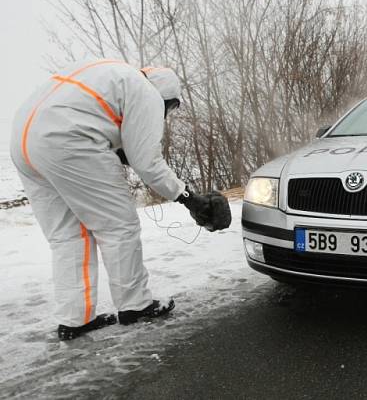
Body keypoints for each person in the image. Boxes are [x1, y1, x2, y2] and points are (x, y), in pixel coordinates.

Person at [9, 60, 231, 341]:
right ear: (166, 97)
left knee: (68, 237)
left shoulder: (112, 74)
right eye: (171, 109)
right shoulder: (147, 93)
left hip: (23, 141)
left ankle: (75, 320)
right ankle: (135, 305)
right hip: (69, 141)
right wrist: (188, 198)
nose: (166, 115)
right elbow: (148, 163)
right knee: (118, 226)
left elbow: (102, 123)